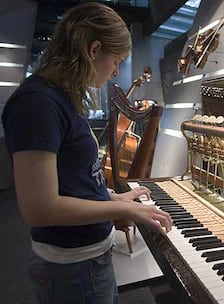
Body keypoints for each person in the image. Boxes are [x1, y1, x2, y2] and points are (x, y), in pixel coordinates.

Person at [1, 2, 172, 304]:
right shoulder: (37, 103)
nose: (116, 71)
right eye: (116, 60)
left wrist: (115, 198)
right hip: (72, 269)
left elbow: (73, 183)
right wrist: (125, 210)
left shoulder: (60, 97)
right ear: (94, 50)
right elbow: (39, 208)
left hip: (87, 262)